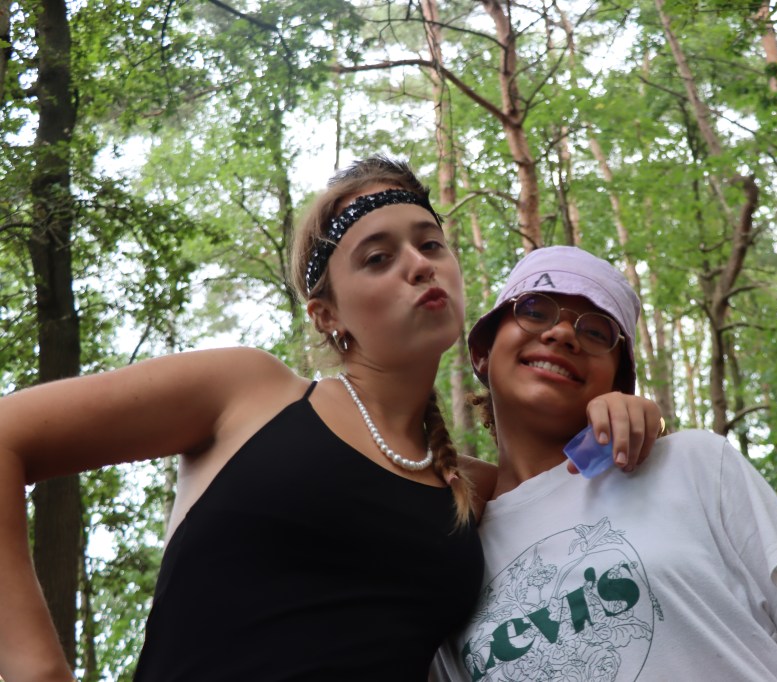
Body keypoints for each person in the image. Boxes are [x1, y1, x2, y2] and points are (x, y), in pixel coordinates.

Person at [0, 157, 659, 681]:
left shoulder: (474, 488)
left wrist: (620, 414)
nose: (419, 264)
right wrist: (37, 673)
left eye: (430, 243)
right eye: (378, 257)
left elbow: (590, 505)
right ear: (328, 315)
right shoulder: (246, 394)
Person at [432, 245, 777, 681]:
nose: (564, 333)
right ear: (482, 352)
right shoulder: (448, 552)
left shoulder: (694, 465)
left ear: (618, 380)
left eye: (596, 332)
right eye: (534, 310)